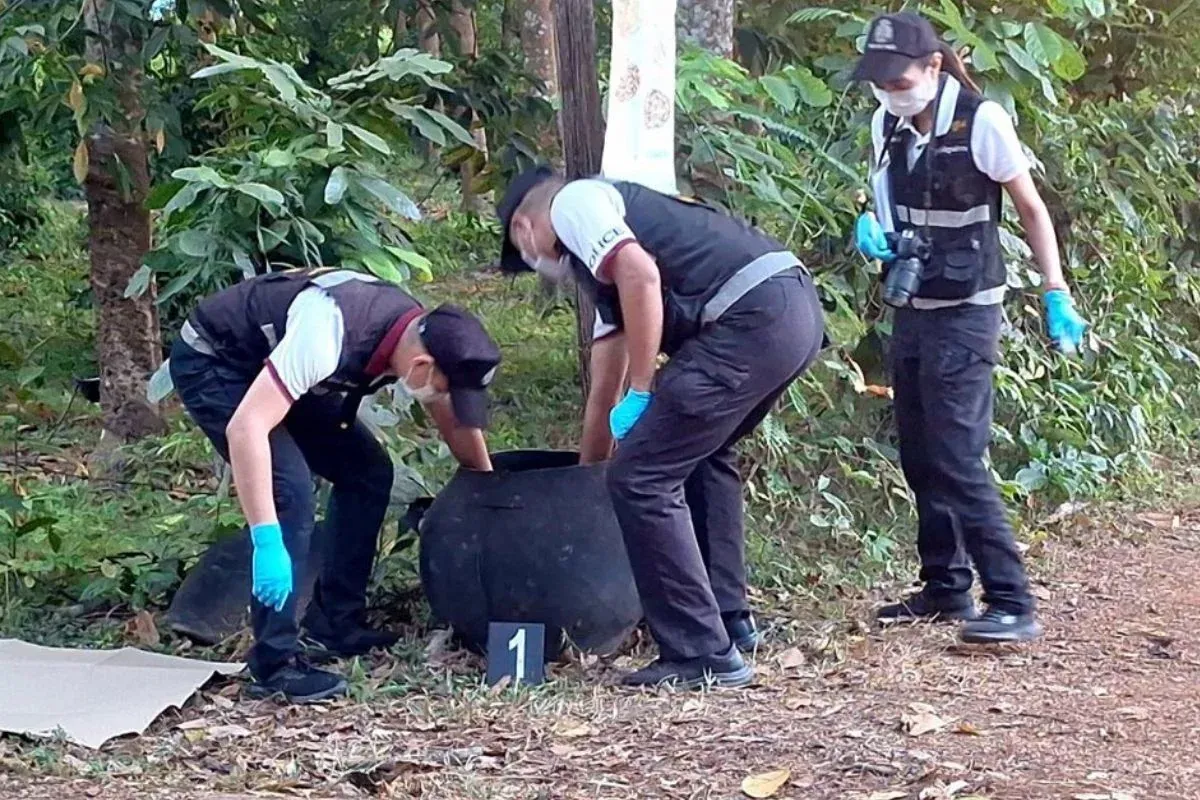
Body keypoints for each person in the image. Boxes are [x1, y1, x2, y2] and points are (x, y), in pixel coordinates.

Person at [496, 168, 826, 688]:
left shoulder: (573, 204)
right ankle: (726, 621)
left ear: (523, 227)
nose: (539, 263)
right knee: (698, 456)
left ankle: (702, 653)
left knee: (643, 479)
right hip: (789, 311)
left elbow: (642, 277)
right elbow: (605, 379)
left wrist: (646, 389)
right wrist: (589, 468)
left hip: (749, 318)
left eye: (526, 253)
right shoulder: (599, 259)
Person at [850, 12, 1089, 643]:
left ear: (932, 68)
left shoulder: (981, 121)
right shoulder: (886, 125)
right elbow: (885, 204)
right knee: (919, 454)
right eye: (879, 82)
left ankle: (1011, 599)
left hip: (968, 311)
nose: (889, 92)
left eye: (899, 79)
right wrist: (876, 236)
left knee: (959, 457)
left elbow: (1032, 210)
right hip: (913, 308)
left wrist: (1055, 290)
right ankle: (944, 587)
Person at [170, 267, 500, 702]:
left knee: (367, 473)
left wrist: (491, 487)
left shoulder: (416, 339)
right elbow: (247, 428)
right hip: (219, 361)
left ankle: (334, 623)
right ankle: (274, 665)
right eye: (446, 389)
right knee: (289, 491)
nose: (446, 398)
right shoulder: (327, 335)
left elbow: (452, 418)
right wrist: (267, 541)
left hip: (285, 370)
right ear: (422, 366)